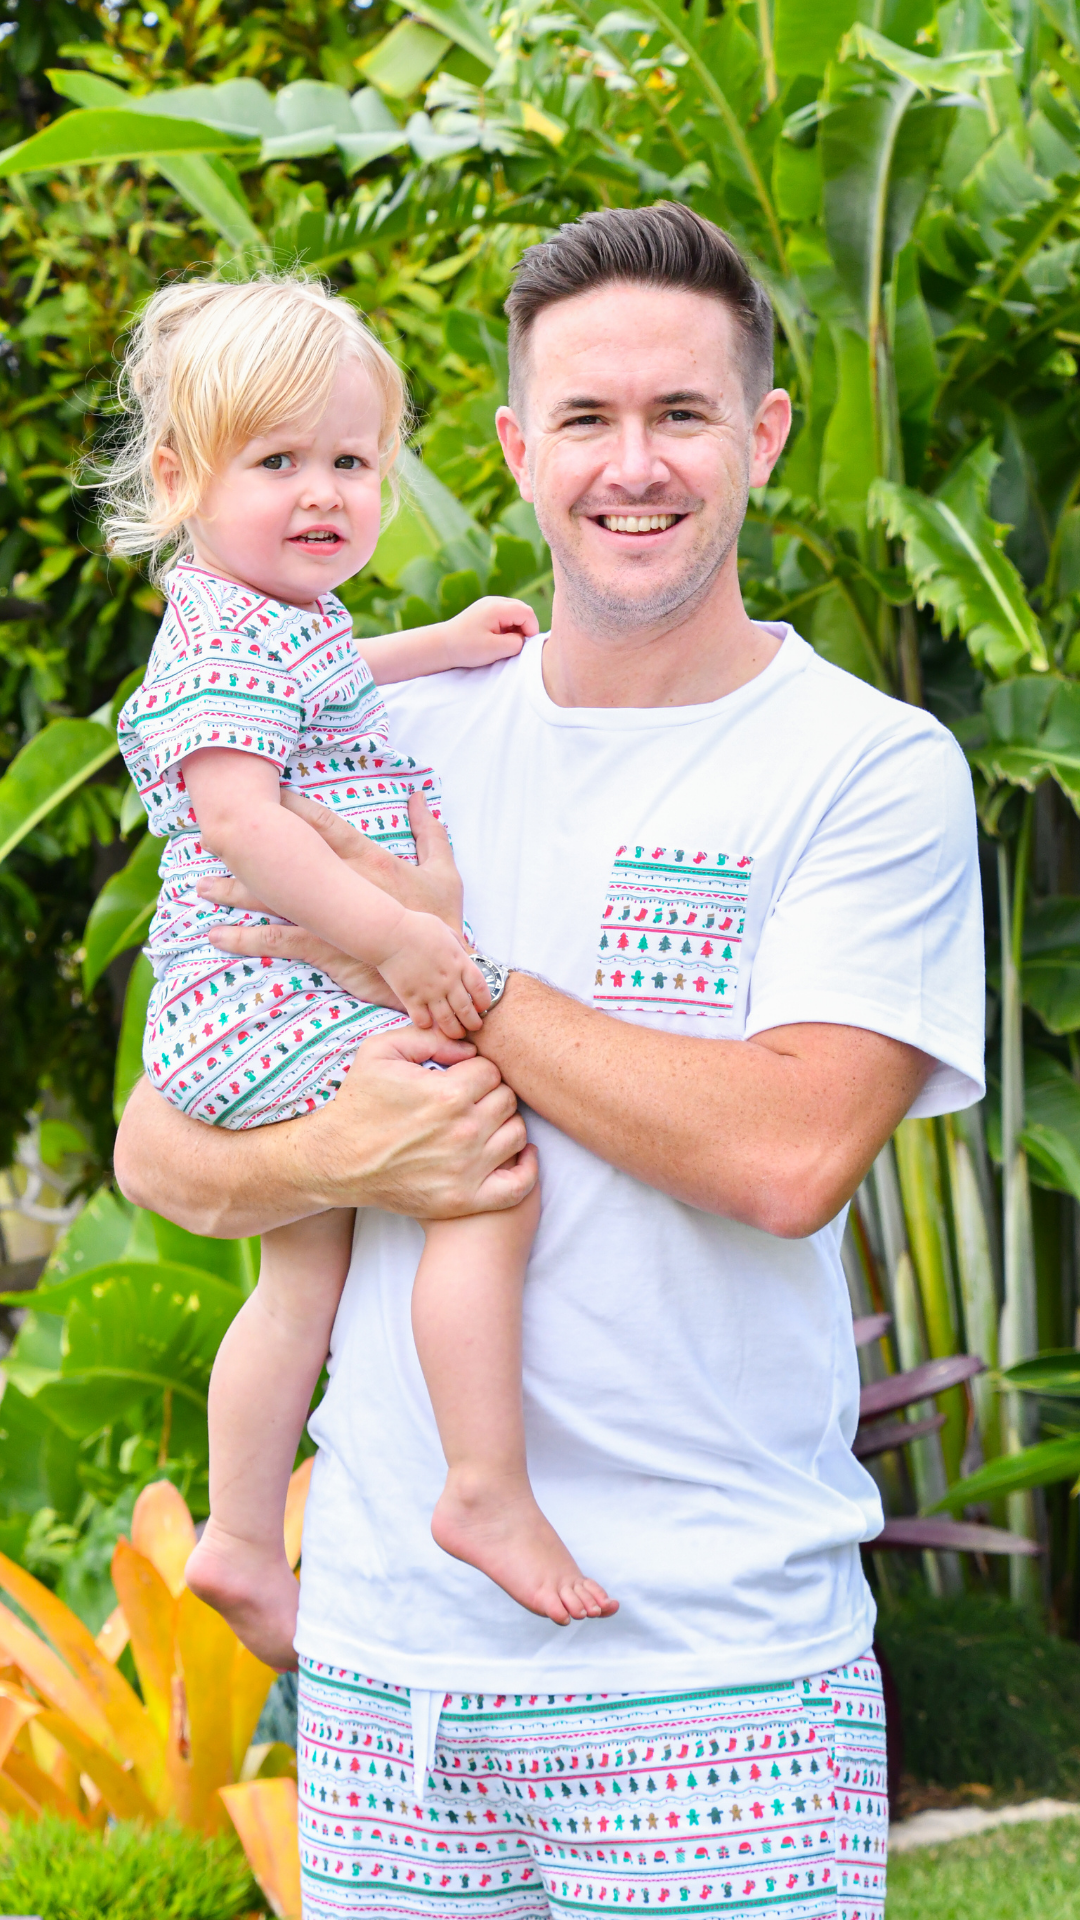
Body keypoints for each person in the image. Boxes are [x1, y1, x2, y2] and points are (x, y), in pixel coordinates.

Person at [115, 204, 985, 1920]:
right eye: (586, 417)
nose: (632, 465)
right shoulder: (375, 740)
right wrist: (345, 1157)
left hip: (712, 1674)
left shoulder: (867, 767)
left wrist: (451, 973)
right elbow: (160, 1148)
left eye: (682, 414)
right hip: (391, 1679)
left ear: (765, 435)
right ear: (519, 449)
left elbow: (786, 1157)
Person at [109, 274, 617, 1673]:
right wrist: (396, 938)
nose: (323, 492)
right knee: (480, 1159)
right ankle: (483, 1486)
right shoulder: (221, 632)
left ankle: (237, 1537)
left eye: (351, 460)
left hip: (251, 1000)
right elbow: (238, 818)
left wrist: (437, 648)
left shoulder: (264, 619)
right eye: (278, 462)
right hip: (267, 991)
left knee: (299, 1286)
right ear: (181, 480)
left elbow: (323, 681)